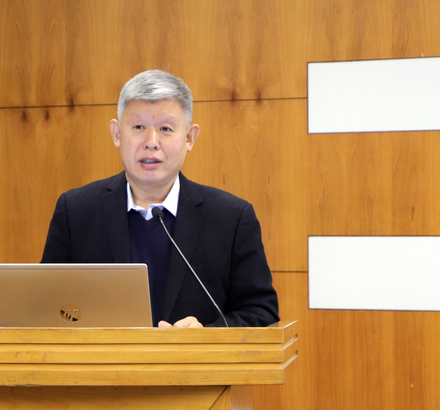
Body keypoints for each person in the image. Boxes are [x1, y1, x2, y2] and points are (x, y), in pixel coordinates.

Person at [41, 70, 278, 328]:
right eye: (139, 127)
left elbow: (261, 312)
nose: (151, 142)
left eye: (165, 129)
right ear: (117, 134)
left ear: (189, 138)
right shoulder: (76, 211)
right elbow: (47, 306)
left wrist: (206, 336)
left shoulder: (231, 218)